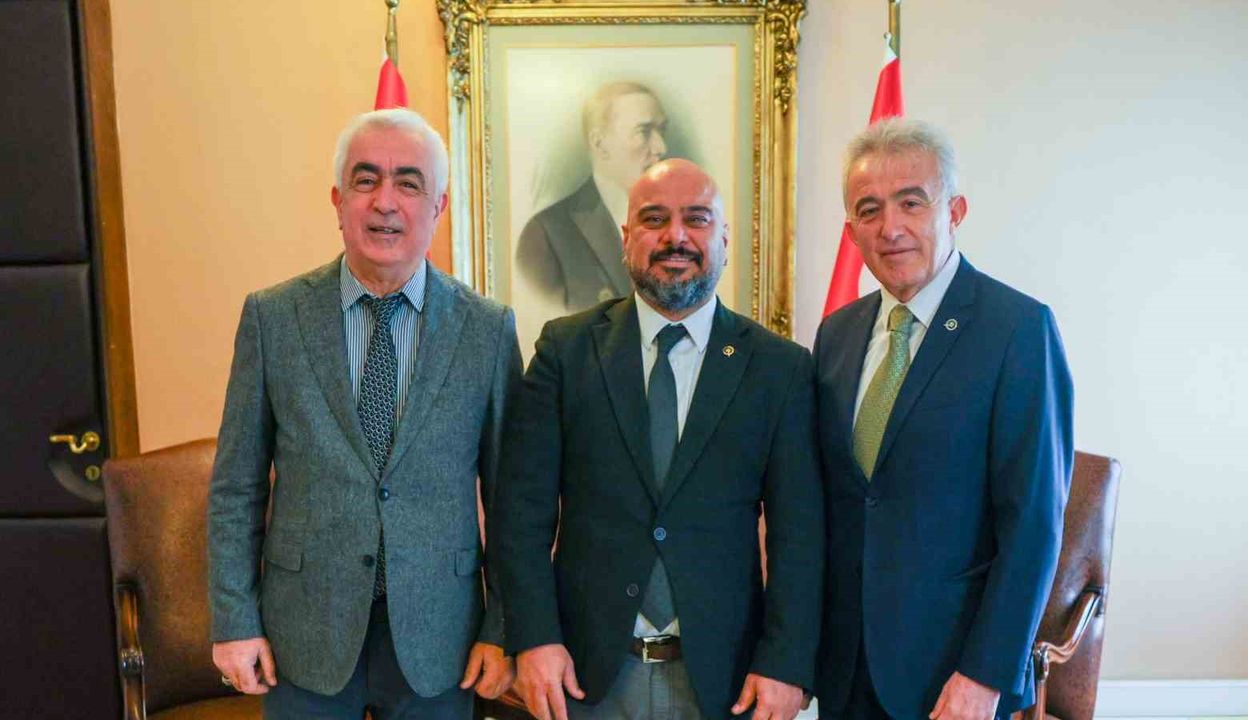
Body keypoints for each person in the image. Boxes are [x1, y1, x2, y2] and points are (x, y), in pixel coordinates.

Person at [207, 108, 520, 719]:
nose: (385, 202)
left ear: (439, 206)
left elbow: (512, 499)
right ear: (337, 200)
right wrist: (234, 620)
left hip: (441, 639)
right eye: (366, 179)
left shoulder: (487, 330)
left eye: (409, 183)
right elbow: (236, 486)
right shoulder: (273, 319)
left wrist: (503, 626)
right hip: (304, 635)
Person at [494, 158, 824, 720]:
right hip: (584, 677)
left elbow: (799, 535)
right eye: (654, 219)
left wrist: (786, 662)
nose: (676, 237)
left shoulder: (779, 368)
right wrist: (534, 638)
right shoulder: (566, 351)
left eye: (696, 219)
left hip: (725, 681)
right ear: (626, 238)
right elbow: (521, 514)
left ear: (723, 239)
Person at [813, 118, 1073, 720]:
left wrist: (985, 674)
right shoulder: (836, 335)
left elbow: (1034, 524)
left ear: (954, 211)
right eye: (869, 210)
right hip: (847, 670)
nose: (891, 227)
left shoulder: (1017, 329)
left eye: (912, 202)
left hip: (954, 676)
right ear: (851, 232)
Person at [517, 80, 669, 312]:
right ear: (600, 144)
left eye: (661, 130)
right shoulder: (546, 234)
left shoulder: (676, 228)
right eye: (643, 131)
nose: (661, 147)